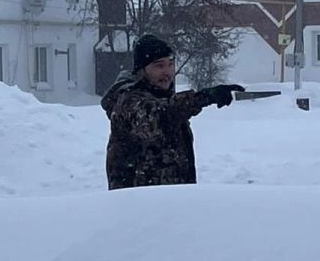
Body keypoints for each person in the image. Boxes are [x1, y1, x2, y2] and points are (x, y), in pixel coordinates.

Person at [100, 34, 244, 190]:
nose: (167, 72)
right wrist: (203, 97)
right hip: (139, 205)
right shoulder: (129, 101)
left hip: (171, 203)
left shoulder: (162, 98)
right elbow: (161, 118)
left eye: (170, 64)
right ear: (141, 70)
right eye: (159, 66)